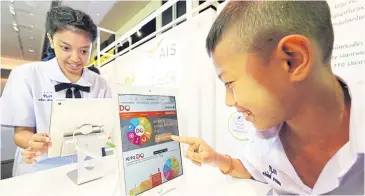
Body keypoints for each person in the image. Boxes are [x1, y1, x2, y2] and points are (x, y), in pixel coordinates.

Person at [171, 1, 364, 195]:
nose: (228, 101)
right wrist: (216, 159)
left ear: (292, 60)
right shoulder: (268, 136)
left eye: (229, 83)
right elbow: (252, 169)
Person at [0, 6, 111, 176]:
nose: (75, 58)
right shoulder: (26, 75)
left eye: (84, 51)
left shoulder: (100, 83)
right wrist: (33, 142)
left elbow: (105, 129)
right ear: (51, 40)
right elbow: (21, 133)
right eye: (66, 48)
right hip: (39, 167)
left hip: (87, 167)